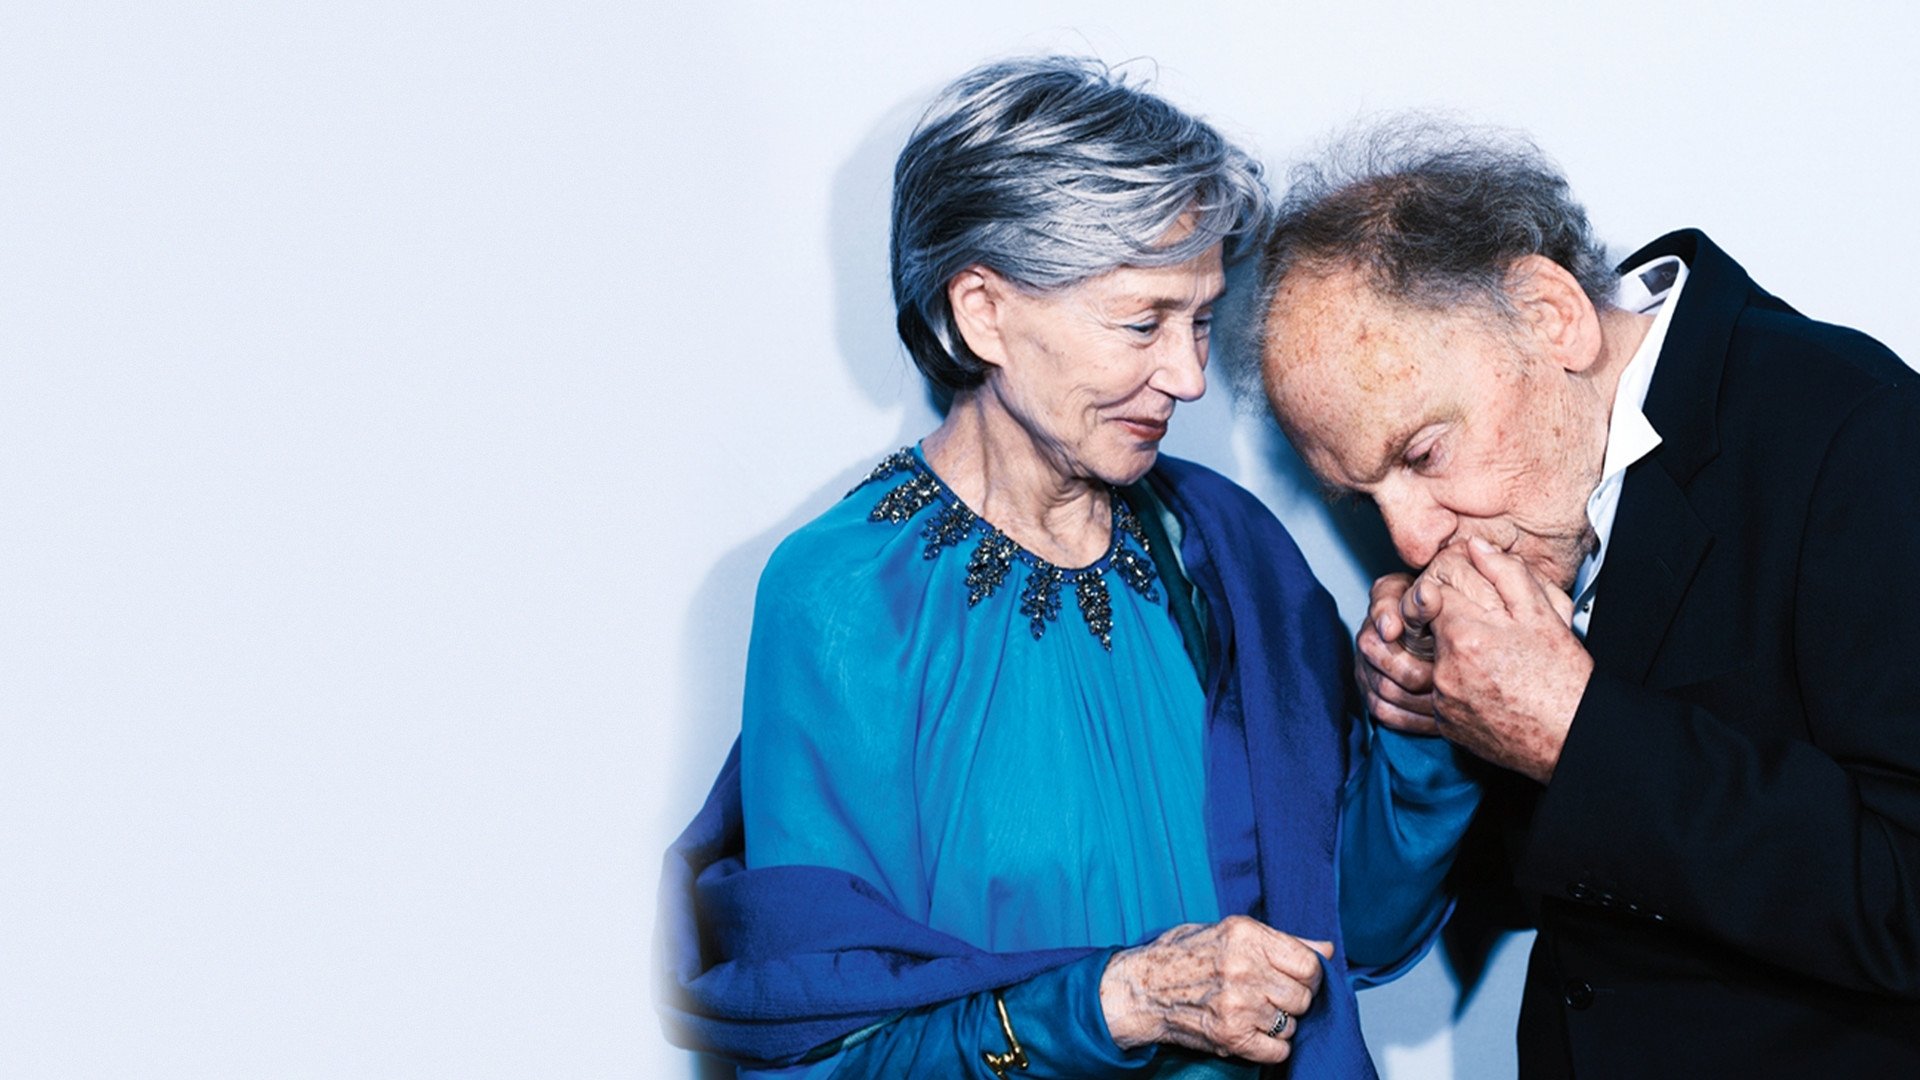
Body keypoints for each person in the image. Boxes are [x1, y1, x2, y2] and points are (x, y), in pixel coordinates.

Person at [656, 59, 1479, 1078]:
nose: (1187, 376)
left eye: (1201, 320)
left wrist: (1418, 724)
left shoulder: (1227, 548)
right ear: (983, 311)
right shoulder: (842, 601)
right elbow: (821, 1055)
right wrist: (1111, 1004)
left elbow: (1354, 937)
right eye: (1142, 323)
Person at [1256, 120, 1920, 1077]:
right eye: (1366, 498)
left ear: (1550, 314)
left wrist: (1573, 727)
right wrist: (1430, 726)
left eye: (1424, 454)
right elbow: (1399, 921)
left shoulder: (1860, 432)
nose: (1408, 541)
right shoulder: (1545, 503)